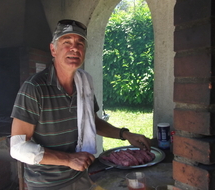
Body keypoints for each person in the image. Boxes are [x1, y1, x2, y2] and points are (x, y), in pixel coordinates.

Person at [10, 19, 151, 190]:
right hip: (47, 184)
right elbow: (18, 147)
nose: (74, 48)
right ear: (53, 49)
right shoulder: (34, 88)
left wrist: (125, 134)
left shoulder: (84, 83)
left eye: (80, 43)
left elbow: (92, 122)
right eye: (67, 42)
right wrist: (69, 159)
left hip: (81, 176)